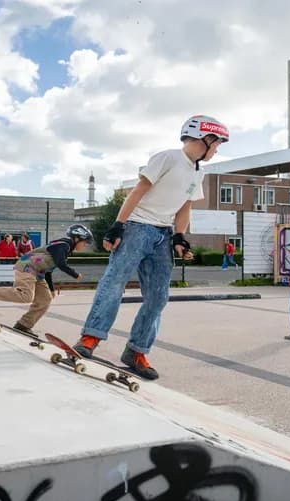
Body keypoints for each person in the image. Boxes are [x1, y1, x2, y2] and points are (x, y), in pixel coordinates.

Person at [70, 115, 229, 380]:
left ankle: (136, 351)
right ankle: (90, 338)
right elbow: (139, 190)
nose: (217, 149)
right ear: (206, 138)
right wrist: (118, 225)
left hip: (163, 235)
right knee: (115, 281)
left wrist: (179, 237)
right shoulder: (168, 157)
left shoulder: (198, 171)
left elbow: (185, 206)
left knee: (158, 296)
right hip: (136, 228)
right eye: (217, 143)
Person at [0, 225, 92, 336]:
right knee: (25, 295)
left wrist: (51, 290)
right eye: (84, 242)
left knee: (46, 299)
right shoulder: (63, 245)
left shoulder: (64, 248)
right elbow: (61, 264)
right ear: (77, 238)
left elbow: (49, 271)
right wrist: (75, 274)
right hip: (27, 268)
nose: (85, 245)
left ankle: (24, 324)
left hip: (37, 273)